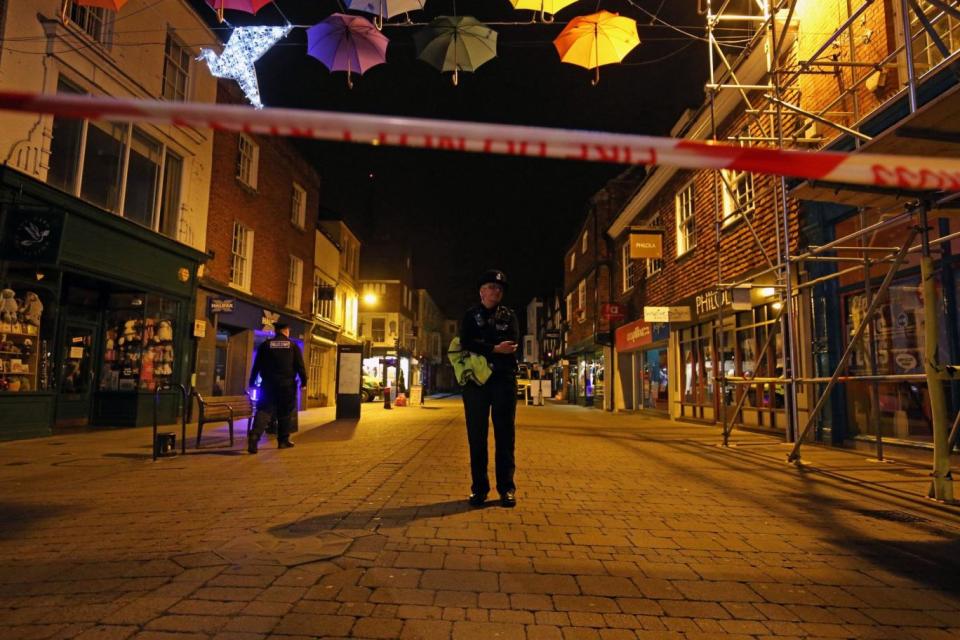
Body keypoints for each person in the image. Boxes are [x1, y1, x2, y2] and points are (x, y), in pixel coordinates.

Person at [459, 269, 519, 508]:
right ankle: (479, 489)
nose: (496, 291)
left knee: (505, 436)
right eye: (492, 287)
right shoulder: (470, 315)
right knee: (477, 437)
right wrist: (494, 348)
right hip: (476, 383)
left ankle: (507, 489)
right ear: (481, 291)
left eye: (500, 289)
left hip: (504, 380)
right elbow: (466, 341)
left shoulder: (510, 315)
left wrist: (482, 345)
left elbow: (512, 343)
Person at [247, 322, 307, 453]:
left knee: (264, 410)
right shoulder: (292, 346)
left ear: (276, 331)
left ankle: (254, 435)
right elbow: (300, 366)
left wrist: (252, 382)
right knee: (284, 412)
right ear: (286, 331)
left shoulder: (265, 345)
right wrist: (304, 382)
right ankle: (283, 441)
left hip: (267, 385)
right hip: (286, 386)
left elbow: (256, 365)